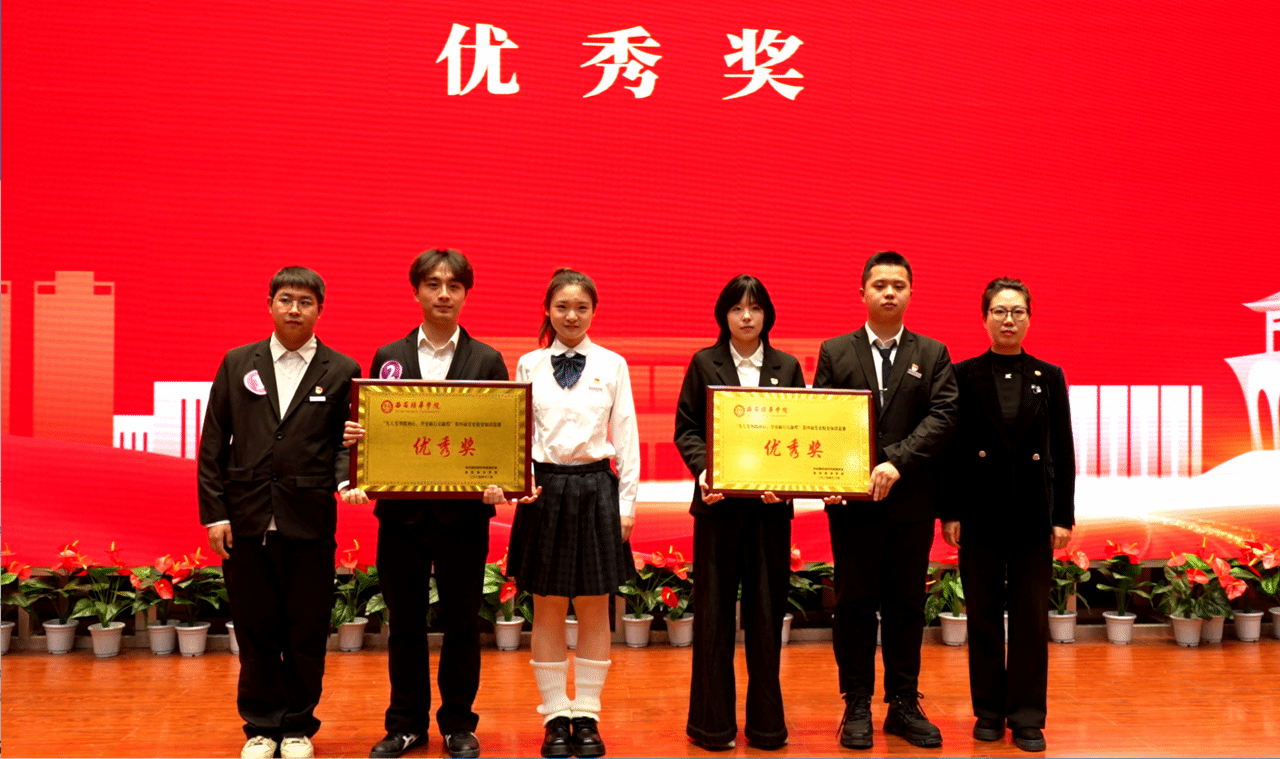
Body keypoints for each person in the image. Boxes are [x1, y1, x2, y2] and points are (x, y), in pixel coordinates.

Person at [340, 249, 509, 759]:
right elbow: (374, 432)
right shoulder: (388, 356)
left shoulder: (487, 360)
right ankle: (406, 724)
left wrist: (500, 481)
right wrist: (359, 444)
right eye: (433, 284)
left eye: (454, 286)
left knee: (462, 624)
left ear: (465, 294)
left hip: (464, 516)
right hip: (402, 515)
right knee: (405, 624)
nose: (443, 294)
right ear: (416, 291)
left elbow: (500, 437)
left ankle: (458, 723)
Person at [198, 266, 361, 759]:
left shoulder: (342, 369)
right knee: (256, 631)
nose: (294, 309)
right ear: (269, 304)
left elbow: (344, 443)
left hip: (309, 519)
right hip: (245, 521)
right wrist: (215, 514)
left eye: (305, 302)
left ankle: (297, 728)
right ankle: (261, 727)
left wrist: (346, 479)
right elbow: (213, 443)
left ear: (320, 310)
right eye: (286, 299)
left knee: (306, 632)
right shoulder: (237, 362)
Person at [813, 251, 958, 750]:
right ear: (863, 293)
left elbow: (943, 416)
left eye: (898, 284)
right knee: (853, 605)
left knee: (905, 607)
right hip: (852, 505)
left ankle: (902, 703)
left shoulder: (932, 353)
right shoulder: (835, 351)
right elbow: (824, 419)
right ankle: (856, 701)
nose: (889, 292)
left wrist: (895, 462)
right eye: (879, 285)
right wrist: (833, 475)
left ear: (911, 292)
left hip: (910, 501)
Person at [502, 268, 640, 759]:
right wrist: (521, 485)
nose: (572, 316)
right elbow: (518, 433)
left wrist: (626, 504)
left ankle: (588, 716)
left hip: (596, 489)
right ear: (548, 310)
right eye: (562, 307)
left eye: (581, 307)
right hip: (545, 491)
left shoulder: (613, 364)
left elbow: (626, 434)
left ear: (594, 311)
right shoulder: (529, 364)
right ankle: (555, 715)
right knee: (547, 605)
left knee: (595, 605)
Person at [939, 277, 1075, 753]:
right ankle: (989, 712)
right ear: (985, 318)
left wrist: (1063, 516)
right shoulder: (963, 375)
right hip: (979, 514)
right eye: (999, 311)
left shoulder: (1048, 376)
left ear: (1029, 318)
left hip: (1033, 516)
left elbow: (1062, 451)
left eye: (1017, 311)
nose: (1008, 320)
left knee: (1031, 618)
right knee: (981, 617)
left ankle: (1028, 716)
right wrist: (950, 511)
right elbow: (950, 451)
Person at [673, 274, 807, 751]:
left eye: (755, 308)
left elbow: (799, 431)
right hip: (718, 509)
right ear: (723, 315)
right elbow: (687, 428)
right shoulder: (703, 362)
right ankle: (712, 726)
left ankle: (767, 727)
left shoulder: (787, 365)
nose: (746, 317)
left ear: (767, 314)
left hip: (770, 513)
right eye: (736, 308)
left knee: (766, 619)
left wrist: (786, 482)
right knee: (713, 620)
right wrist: (705, 471)